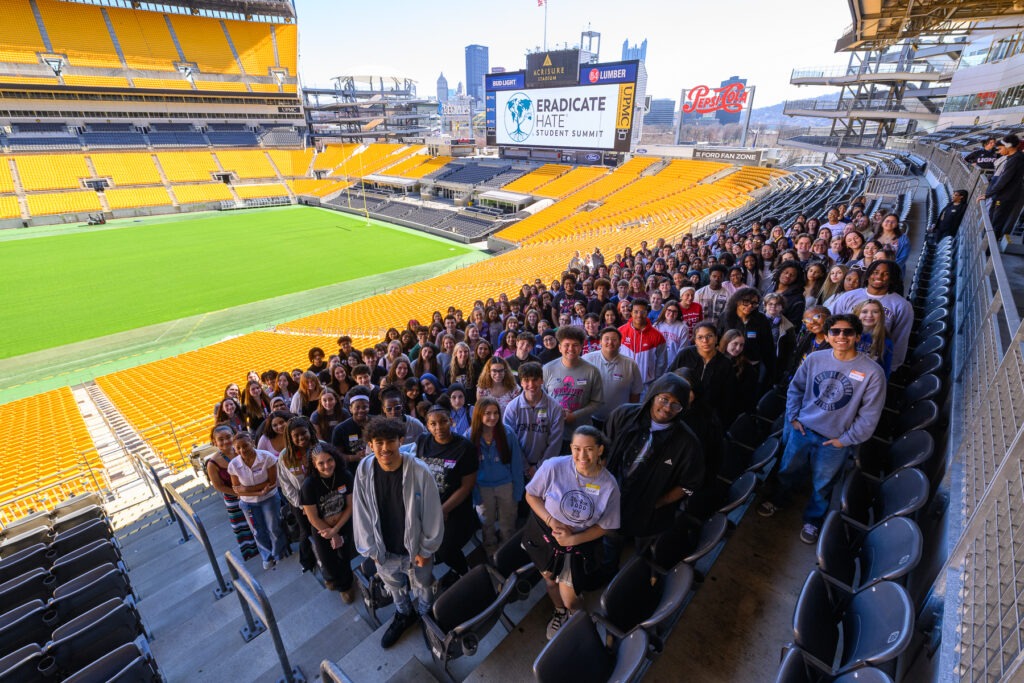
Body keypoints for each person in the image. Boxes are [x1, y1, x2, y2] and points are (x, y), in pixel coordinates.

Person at [758, 314, 886, 544]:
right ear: (827, 336)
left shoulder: (873, 372)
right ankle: (778, 501)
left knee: (823, 484)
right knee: (788, 470)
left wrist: (845, 440)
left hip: (834, 441)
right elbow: (794, 389)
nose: (841, 336)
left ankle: (813, 521)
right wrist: (794, 418)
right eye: (835, 332)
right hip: (803, 429)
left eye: (848, 332)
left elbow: (869, 415)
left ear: (858, 336)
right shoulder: (815, 359)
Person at [353, 417, 444, 649]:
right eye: (378, 442)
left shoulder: (419, 471)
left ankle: (424, 614)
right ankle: (404, 614)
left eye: (390, 441)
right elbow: (361, 511)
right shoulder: (364, 469)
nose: (385, 448)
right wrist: (371, 549)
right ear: (370, 445)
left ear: (400, 440)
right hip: (385, 551)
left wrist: (426, 549)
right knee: (395, 587)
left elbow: (433, 514)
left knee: (423, 585)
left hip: (417, 552)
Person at [523, 426, 620, 640]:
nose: (582, 456)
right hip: (546, 536)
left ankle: (577, 618)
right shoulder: (553, 466)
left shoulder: (609, 485)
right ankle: (559, 612)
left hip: (577, 546)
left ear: (600, 449)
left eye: (589, 449)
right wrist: (552, 520)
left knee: (571, 599)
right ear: (570, 448)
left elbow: (606, 526)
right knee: (549, 580)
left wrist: (573, 539)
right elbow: (531, 495)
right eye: (577, 449)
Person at [602, 373, 704, 574]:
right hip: (611, 500)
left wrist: (659, 502)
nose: (667, 408)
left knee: (640, 556)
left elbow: (690, 486)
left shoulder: (688, 444)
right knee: (610, 542)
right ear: (653, 395)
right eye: (664, 399)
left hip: (649, 514)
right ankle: (607, 571)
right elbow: (603, 449)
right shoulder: (623, 415)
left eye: (676, 405)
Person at [409, 405, 478, 580]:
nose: (438, 427)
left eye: (443, 422)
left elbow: (466, 486)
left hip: (455, 509)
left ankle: (464, 573)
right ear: (427, 426)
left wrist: (442, 510)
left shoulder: (465, 447)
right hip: (427, 506)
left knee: (446, 549)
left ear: (451, 421)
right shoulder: (422, 441)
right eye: (433, 424)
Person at [829, 260, 913, 369]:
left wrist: (891, 368)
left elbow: (900, 340)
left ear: (892, 278)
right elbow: (830, 324)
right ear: (868, 275)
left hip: (872, 364)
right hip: (840, 357)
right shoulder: (848, 296)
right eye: (875, 272)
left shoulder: (902, 305)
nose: (879, 276)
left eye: (886, 274)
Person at [301, 444, 357, 603]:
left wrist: (337, 531)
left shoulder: (345, 475)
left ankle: (346, 586)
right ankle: (331, 577)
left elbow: (350, 506)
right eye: (321, 463)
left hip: (343, 523)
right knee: (327, 559)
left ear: (335, 458)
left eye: (329, 460)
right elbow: (312, 518)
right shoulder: (309, 485)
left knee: (344, 556)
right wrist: (330, 533)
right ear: (314, 465)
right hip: (321, 529)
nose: (327, 466)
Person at [470, 397, 525, 557]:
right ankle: (491, 550)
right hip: (483, 487)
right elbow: (469, 470)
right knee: (486, 522)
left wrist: (517, 492)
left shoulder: (507, 433)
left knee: (508, 521)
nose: (492, 417)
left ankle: (506, 551)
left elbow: (517, 466)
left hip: (506, 485)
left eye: (496, 413)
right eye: (487, 413)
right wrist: (475, 495)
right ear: (479, 415)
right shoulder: (470, 436)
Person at [228, 431, 288, 570]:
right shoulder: (233, 465)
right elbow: (237, 488)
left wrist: (247, 489)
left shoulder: (267, 457)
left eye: (245, 446)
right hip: (248, 502)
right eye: (238, 448)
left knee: (273, 527)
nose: (242, 450)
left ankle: (278, 553)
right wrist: (257, 491)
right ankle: (267, 556)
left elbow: (272, 481)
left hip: (269, 498)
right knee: (257, 531)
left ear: (252, 443)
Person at [542, 326, 604, 448]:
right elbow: (541, 399)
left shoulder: (592, 371)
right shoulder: (547, 369)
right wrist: (555, 413)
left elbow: (597, 402)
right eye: (566, 345)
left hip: (582, 434)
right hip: (553, 433)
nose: (570, 349)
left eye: (575, 345)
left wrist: (575, 415)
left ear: (581, 347)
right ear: (559, 347)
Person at [205, 425, 259, 561]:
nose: (225, 442)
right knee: (244, 527)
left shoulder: (244, 449)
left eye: (228, 437)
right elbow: (219, 486)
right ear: (214, 441)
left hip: (254, 492)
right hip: (234, 499)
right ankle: (252, 552)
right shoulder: (212, 463)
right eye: (221, 439)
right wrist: (239, 493)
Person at [505, 361, 564, 477]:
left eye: (535, 379)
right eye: (526, 380)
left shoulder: (555, 408)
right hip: (518, 466)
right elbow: (510, 441)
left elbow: (555, 443)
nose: (531, 384)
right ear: (521, 382)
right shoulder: (512, 408)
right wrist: (525, 467)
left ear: (542, 380)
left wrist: (539, 467)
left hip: (546, 467)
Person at [277, 416, 320, 574]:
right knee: (306, 531)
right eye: (296, 435)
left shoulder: (320, 447)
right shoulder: (284, 457)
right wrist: (303, 505)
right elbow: (286, 485)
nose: (301, 437)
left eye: (304, 433)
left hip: (323, 498)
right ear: (290, 437)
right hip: (300, 503)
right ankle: (307, 561)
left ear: (310, 431)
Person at [582, 326, 642, 429]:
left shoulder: (630, 364)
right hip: (591, 418)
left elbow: (635, 393)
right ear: (600, 342)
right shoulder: (587, 360)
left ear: (620, 343)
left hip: (619, 419)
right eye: (606, 339)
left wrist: (629, 415)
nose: (610, 342)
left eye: (614, 339)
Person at [617, 298, 667, 396]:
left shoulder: (657, 336)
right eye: (636, 312)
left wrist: (656, 382)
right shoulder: (620, 332)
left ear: (647, 313)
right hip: (623, 383)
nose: (639, 315)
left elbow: (661, 363)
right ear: (631, 312)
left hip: (646, 385)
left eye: (643, 312)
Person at [979, 134, 1024, 238]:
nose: (999, 151)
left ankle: (987, 251)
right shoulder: (1013, 158)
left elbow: (1004, 180)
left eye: (1000, 148)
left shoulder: (1016, 159)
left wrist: (987, 194)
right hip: (1002, 195)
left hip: (1005, 197)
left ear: (1008, 146)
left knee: (995, 224)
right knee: (991, 221)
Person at [330, 388, 372, 474]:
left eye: (364, 407)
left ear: (369, 407)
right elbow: (337, 455)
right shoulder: (340, 429)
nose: (361, 410)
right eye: (357, 407)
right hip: (352, 471)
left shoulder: (377, 423)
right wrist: (354, 457)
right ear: (350, 409)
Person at [854, 298, 894, 378]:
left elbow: (884, 373)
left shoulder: (886, 342)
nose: (869, 315)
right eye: (864, 311)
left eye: (875, 312)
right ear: (857, 314)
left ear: (881, 316)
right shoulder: (845, 335)